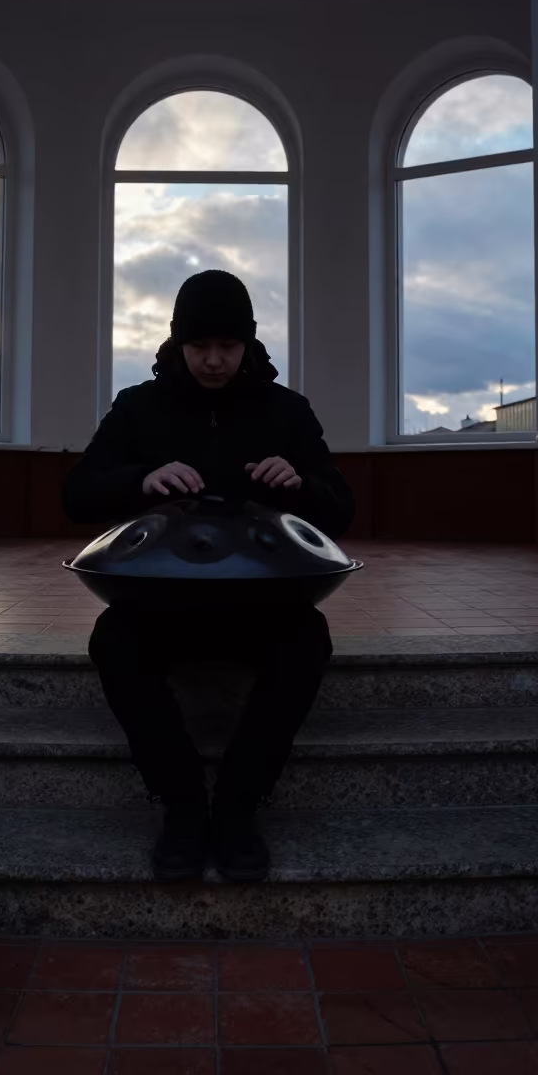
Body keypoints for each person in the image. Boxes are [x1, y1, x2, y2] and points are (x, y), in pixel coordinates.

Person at [63, 269, 354, 882]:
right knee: (113, 641)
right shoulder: (138, 407)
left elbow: (343, 509)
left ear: (249, 343)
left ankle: (239, 807)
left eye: (228, 347)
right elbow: (77, 495)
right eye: (201, 348)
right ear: (177, 343)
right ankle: (184, 806)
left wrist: (301, 484)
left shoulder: (287, 411)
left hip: (262, 604)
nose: (215, 361)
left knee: (309, 640)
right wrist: (139, 479)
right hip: (163, 602)